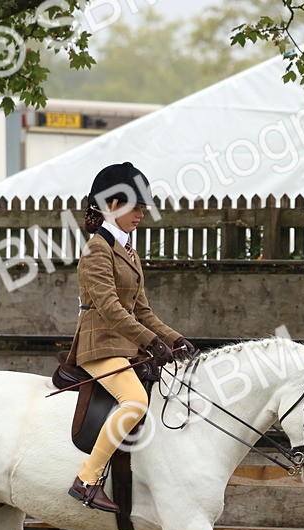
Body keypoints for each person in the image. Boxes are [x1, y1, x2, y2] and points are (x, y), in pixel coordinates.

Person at [65, 162, 196, 512]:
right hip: (99, 346)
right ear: (111, 206)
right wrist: (150, 341)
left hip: (126, 344)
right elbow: (109, 307)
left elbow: (142, 312)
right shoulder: (96, 249)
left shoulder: (128, 252)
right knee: (136, 402)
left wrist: (175, 339)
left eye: (142, 207)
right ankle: (88, 480)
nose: (141, 213)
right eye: (134, 206)